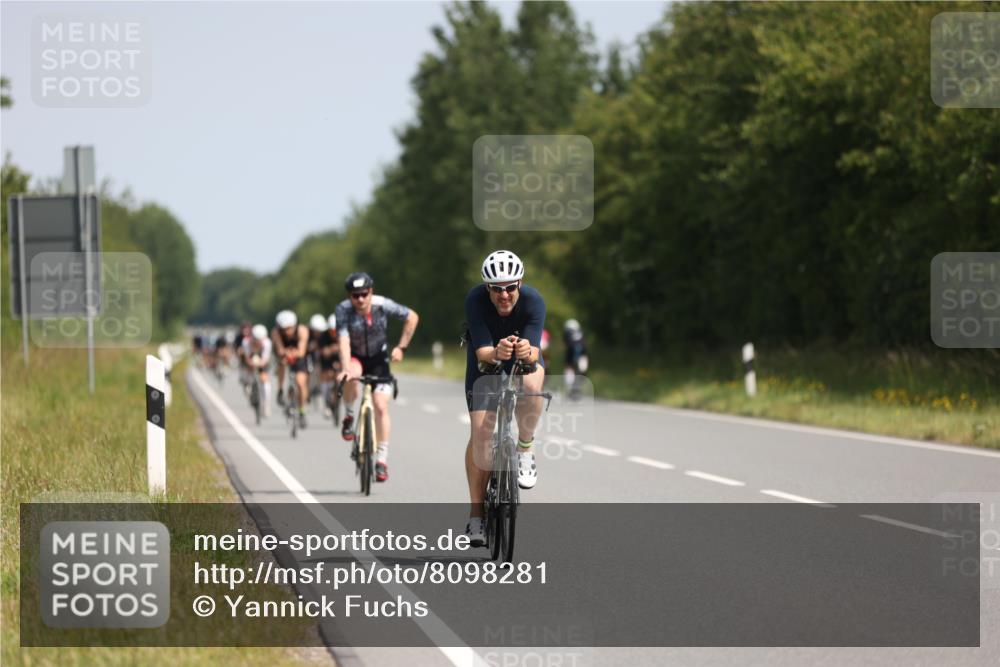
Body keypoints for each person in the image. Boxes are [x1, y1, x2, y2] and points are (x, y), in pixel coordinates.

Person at [463, 250, 546, 547]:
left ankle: (525, 448)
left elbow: (535, 352)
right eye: (497, 289)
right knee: (482, 433)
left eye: (510, 287)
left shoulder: (534, 301)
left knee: (534, 383)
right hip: (486, 364)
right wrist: (497, 351)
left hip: (521, 359)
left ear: (520, 284)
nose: (504, 295)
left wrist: (526, 350)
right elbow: (482, 353)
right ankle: (476, 515)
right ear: (488, 288)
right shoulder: (475, 300)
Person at [336, 272, 419, 482]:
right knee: (351, 377)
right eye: (355, 296)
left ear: (371, 292)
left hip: (378, 358)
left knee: (381, 406)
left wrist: (401, 347)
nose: (360, 299)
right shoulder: (343, 310)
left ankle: (382, 459)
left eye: (364, 294)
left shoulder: (383, 304)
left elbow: (412, 317)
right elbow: (343, 340)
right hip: (355, 356)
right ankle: (348, 414)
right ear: (349, 296)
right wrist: (346, 368)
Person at [271, 310, 310, 429]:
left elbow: (302, 351)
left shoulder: (302, 330)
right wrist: (285, 353)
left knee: (300, 382)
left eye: (289, 328)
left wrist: (294, 353)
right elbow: (279, 349)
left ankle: (302, 410)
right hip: (285, 355)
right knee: (282, 364)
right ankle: (280, 389)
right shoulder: (276, 332)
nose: (287, 332)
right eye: (284, 329)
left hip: (300, 356)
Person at [243, 324, 274, 417]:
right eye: (255, 339)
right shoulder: (246, 342)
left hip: (262, 359)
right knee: (248, 371)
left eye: (259, 340)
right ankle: (248, 385)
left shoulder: (267, 343)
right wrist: (250, 363)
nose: (257, 342)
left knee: (264, 379)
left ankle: (266, 403)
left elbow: (265, 359)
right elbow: (247, 357)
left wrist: (260, 364)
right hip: (251, 357)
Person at [317, 313, 341, 418]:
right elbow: (324, 352)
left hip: (340, 359)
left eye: (336, 331)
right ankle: (326, 400)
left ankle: (336, 400)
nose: (334, 333)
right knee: (327, 375)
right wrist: (333, 349)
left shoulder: (344, 334)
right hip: (326, 360)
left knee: (339, 378)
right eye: (332, 331)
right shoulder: (323, 336)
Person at [563, 319, 589, 399]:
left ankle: (575, 388)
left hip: (578, 355)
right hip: (579, 355)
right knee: (577, 371)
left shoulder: (570, 335)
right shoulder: (580, 335)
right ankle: (575, 388)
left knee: (574, 370)